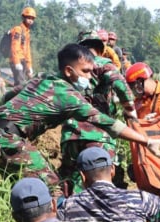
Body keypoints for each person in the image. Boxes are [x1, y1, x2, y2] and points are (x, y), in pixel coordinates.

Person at [0, 44, 160, 194]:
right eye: (85, 72)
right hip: (9, 139)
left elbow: (8, 96)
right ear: (68, 71)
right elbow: (109, 124)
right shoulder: (69, 96)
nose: (89, 77)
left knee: (26, 188)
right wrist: (147, 141)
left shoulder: (43, 79)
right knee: (53, 189)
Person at [58, 31, 137, 195]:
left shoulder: (69, 68)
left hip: (71, 135)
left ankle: (66, 215)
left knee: (70, 182)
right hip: (97, 135)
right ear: (100, 48)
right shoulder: (102, 63)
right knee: (99, 184)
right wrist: (131, 113)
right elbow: (121, 86)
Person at [9, 7, 36, 86]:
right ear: (24, 17)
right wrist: (17, 62)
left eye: (32, 18)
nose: (30, 20)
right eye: (28, 17)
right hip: (16, 60)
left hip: (23, 60)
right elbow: (14, 47)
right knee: (20, 85)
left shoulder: (27, 32)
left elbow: (27, 51)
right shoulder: (18, 29)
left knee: (21, 85)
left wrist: (29, 66)